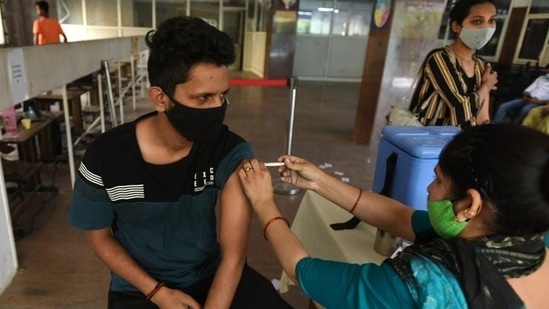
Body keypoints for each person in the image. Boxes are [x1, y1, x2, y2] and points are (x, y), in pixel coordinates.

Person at [68, 16, 291, 309]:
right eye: (203, 98)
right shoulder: (106, 157)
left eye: (223, 96)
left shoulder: (229, 152)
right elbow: (99, 237)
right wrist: (157, 292)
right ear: (160, 99)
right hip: (140, 288)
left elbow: (233, 256)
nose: (217, 109)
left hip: (213, 276)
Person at [238, 124, 549, 309]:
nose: (429, 188)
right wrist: (318, 180)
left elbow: (303, 271)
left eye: (439, 180)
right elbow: (401, 218)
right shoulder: (524, 239)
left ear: (470, 204)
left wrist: (264, 204)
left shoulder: (423, 285)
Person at [409, 0, 498, 128]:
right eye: (477, 21)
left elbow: (482, 117)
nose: (486, 28)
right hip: (428, 138)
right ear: (456, 26)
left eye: (491, 21)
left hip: (462, 141)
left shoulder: (482, 66)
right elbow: (460, 110)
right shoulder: (439, 58)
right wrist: (485, 86)